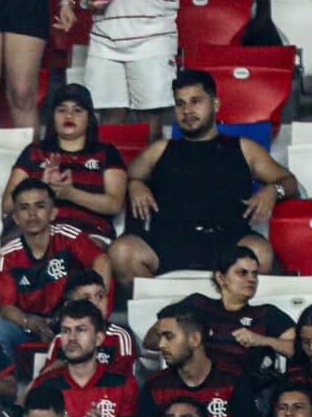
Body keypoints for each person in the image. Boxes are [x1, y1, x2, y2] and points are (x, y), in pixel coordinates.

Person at [106, 71, 289, 293]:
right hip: (168, 242)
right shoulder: (160, 149)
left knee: (260, 252)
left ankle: (226, 315)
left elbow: (288, 181)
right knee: (121, 252)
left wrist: (273, 190)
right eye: (180, 104)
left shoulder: (244, 148)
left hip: (227, 242)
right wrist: (135, 184)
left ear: (215, 103)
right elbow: (122, 177)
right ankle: (162, 312)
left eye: (196, 101)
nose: (187, 111)